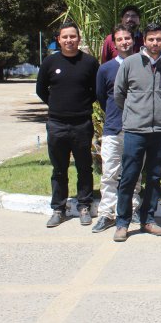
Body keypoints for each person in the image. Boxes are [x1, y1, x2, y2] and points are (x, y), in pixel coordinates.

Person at [113, 23, 161, 242]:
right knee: (129, 176)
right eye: (151, 39)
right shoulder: (130, 63)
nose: (155, 43)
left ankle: (148, 219)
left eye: (159, 39)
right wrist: (135, 115)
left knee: (154, 177)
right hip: (135, 130)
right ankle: (122, 223)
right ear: (144, 41)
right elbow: (119, 94)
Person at [37, 21, 99, 228]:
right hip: (56, 124)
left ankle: (84, 206)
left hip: (81, 124)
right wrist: (57, 105)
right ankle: (58, 209)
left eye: (73, 36)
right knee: (59, 169)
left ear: (78, 39)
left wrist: (79, 106)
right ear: (59, 40)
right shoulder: (49, 63)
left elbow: (95, 92)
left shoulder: (90, 63)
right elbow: (41, 90)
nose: (69, 40)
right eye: (65, 37)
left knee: (84, 167)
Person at [93, 24, 141, 233]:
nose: (124, 42)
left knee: (135, 173)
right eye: (120, 39)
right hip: (113, 128)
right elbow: (102, 97)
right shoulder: (105, 69)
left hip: (137, 128)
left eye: (128, 38)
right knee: (109, 174)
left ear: (133, 40)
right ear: (114, 43)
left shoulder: (142, 64)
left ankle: (134, 208)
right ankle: (107, 214)